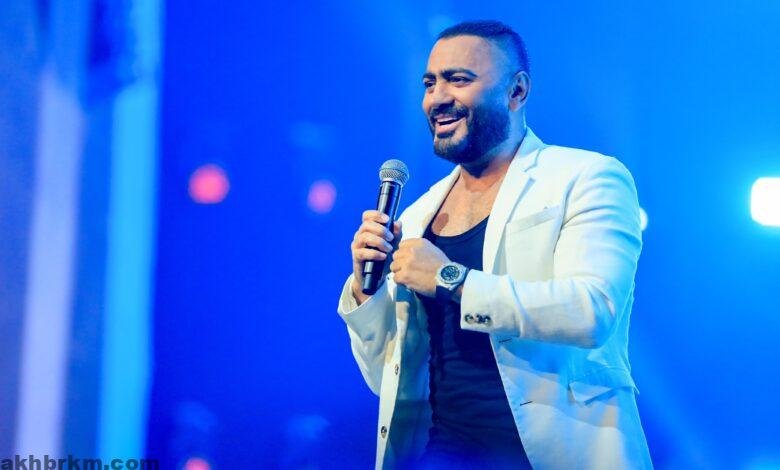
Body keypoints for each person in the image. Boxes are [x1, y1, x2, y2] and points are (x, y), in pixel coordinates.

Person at [337, 20, 652, 469]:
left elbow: (592, 310)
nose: (438, 97)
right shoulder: (418, 215)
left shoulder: (586, 177)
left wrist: (451, 278)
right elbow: (385, 380)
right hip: (443, 454)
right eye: (430, 83)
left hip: (553, 454)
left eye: (458, 79)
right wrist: (365, 291)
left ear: (516, 91)